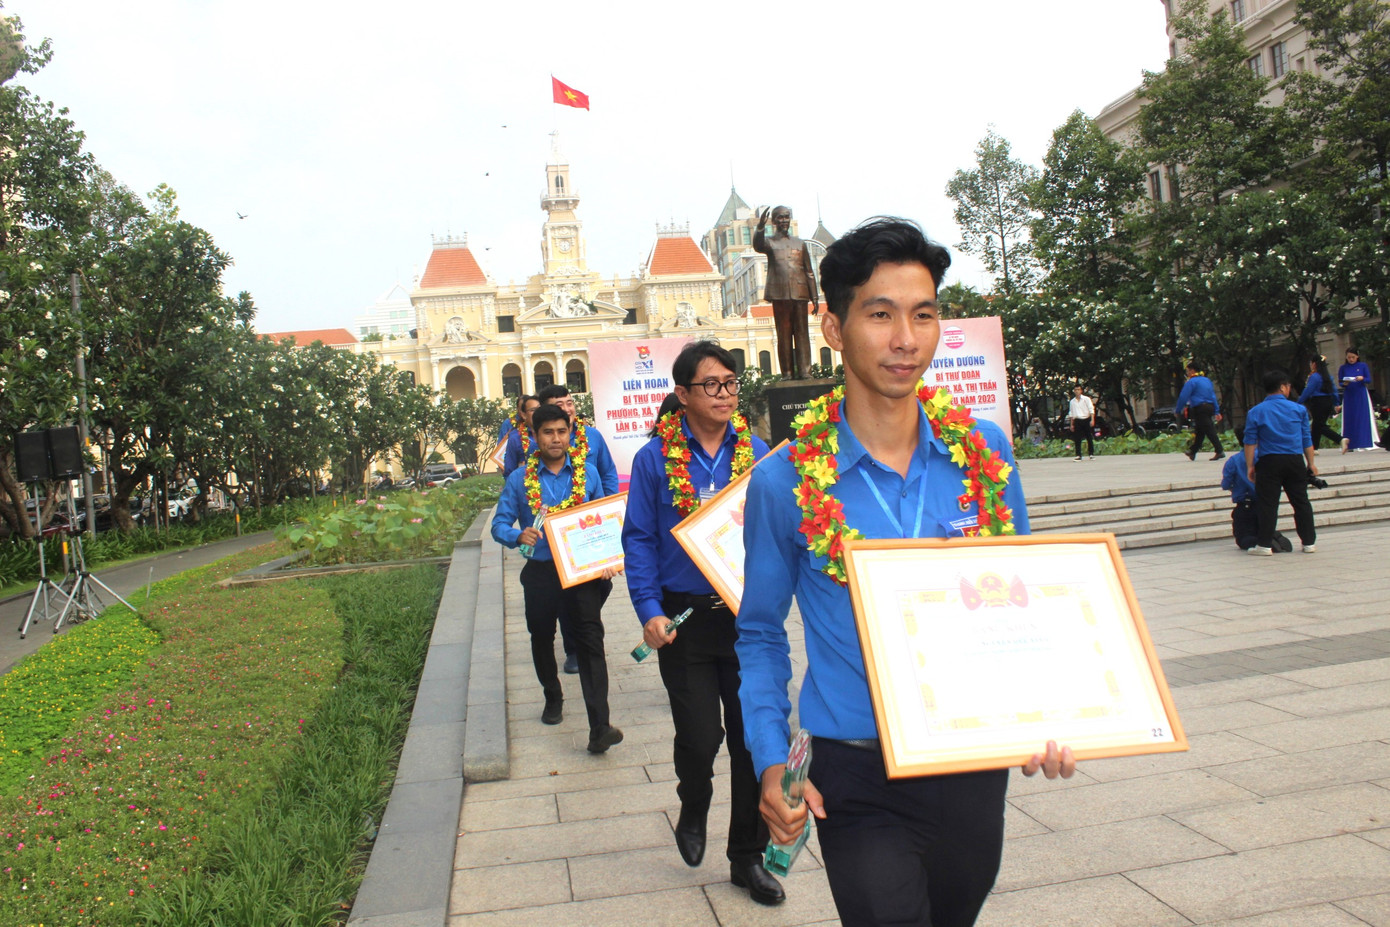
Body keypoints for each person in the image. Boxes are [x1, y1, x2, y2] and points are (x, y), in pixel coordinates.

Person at [736, 217, 1075, 927]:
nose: (905, 339)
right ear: (832, 326)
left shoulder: (982, 454)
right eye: (880, 314)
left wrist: (1051, 711)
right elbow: (762, 632)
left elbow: (1026, 599)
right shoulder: (785, 481)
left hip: (972, 762)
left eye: (923, 315)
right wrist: (772, 757)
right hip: (855, 771)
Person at [621, 341, 782, 905]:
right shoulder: (654, 459)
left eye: (732, 382)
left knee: (750, 740)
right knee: (699, 735)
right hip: (683, 618)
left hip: (746, 619)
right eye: (712, 384)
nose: (726, 393)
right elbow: (638, 539)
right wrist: (649, 611)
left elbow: (776, 531)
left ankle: (747, 857)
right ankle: (693, 799)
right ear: (683, 393)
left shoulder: (757, 451)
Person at [490, 403, 625, 753]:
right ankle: (552, 694)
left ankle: (600, 726)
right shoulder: (520, 480)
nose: (555, 438)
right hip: (541, 571)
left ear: (570, 434)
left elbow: (604, 520)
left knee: (591, 642)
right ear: (534, 437)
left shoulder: (588, 474)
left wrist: (609, 558)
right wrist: (517, 535)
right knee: (541, 635)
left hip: (581, 573)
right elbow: (499, 523)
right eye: (547, 432)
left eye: (561, 431)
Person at [538, 383, 620, 675]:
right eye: (558, 404)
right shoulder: (541, 443)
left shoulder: (593, 437)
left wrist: (609, 512)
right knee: (568, 593)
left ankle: (581, 625)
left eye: (569, 402)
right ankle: (575, 647)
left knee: (603, 585)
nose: (567, 408)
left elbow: (608, 473)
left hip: (589, 529)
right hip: (556, 536)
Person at [1243, 369, 1318, 556]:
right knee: (1301, 502)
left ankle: (1264, 545)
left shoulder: (1255, 412)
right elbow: (1306, 439)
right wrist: (1311, 463)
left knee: (1268, 504)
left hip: (1269, 462)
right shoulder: (1299, 409)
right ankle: (1309, 543)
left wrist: (1250, 466)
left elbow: (1250, 441)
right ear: (1283, 387)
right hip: (1294, 461)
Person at [753, 205, 820, 380]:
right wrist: (760, 227)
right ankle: (787, 373)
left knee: (802, 333)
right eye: (780, 218)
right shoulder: (770, 242)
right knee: (783, 334)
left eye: (786, 217)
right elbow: (758, 245)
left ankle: (805, 371)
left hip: (800, 293)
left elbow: (809, 271)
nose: (784, 220)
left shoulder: (800, 243)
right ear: (774, 221)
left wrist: (815, 297)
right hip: (780, 294)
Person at [1221, 426, 1291, 552]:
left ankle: (1259, 542)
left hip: (1245, 504)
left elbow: (1225, 484)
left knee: (1243, 538)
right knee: (1263, 527)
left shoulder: (1234, 461)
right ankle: (1272, 536)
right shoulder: (1266, 457)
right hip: (1265, 502)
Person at [1176, 362, 1225, 461]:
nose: (1187, 373)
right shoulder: (1207, 380)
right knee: (1200, 430)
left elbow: (1183, 397)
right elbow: (1213, 396)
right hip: (1210, 407)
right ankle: (1193, 451)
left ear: (1192, 370)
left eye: (1188, 371)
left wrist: (1178, 409)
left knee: (1208, 429)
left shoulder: (1191, 382)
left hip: (1200, 408)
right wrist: (1216, 411)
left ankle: (1219, 450)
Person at [1337, 347, 1378, 452]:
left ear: (1357, 357)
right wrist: (1344, 383)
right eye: (1349, 357)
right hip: (1349, 395)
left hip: (1361, 394)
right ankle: (1350, 443)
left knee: (1362, 417)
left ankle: (1364, 442)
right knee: (1350, 418)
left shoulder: (1362, 366)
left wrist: (1362, 378)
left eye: (1353, 357)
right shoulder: (1343, 368)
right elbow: (1340, 382)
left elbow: (1368, 379)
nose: (1351, 359)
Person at [1297, 356, 1341, 450]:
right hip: (1328, 402)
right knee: (1317, 425)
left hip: (1318, 402)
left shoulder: (1314, 376)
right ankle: (1314, 447)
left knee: (1319, 425)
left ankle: (1340, 439)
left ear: (1314, 364)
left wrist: (1299, 401)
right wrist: (1336, 403)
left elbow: (1308, 390)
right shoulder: (1328, 377)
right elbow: (1334, 391)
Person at [501, 395, 541, 477]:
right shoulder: (515, 438)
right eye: (533, 410)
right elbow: (509, 471)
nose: (538, 413)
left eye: (540, 409)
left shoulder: (553, 434)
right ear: (523, 415)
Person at [1067, 386, 1095, 460]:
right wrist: (1071, 424)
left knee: (1089, 437)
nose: (1077, 391)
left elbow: (1091, 409)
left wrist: (1092, 420)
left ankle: (1091, 453)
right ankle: (1078, 455)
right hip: (1077, 420)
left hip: (1086, 419)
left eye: (1078, 389)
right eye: (1075, 390)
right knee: (1077, 438)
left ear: (1081, 391)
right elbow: (1071, 413)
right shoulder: (1072, 402)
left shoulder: (1086, 399)